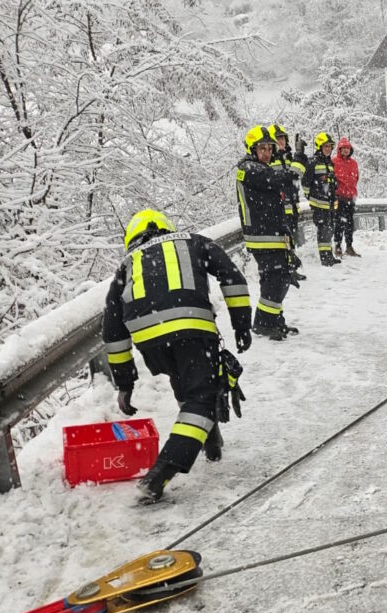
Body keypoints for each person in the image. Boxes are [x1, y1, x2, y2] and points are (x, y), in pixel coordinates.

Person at [102, 209, 252, 504]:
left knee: (186, 381)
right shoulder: (194, 241)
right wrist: (241, 324)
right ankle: (162, 471)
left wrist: (125, 383)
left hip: (150, 342)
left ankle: (210, 440)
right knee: (202, 399)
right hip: (192, 327)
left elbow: (112, 330)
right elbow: (232, 278)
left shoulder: (127, 264)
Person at [237, 125, 296, 339]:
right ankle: (264, 323)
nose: (267, 153)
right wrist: (296, 162)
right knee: (275, 279)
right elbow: (278, 179)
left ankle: (274, 319)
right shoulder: (248, 169)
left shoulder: (261, 169)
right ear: (252, 149)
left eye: (270, 149)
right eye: (262, 148)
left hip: (271, 234)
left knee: (278, 278)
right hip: (261, 236)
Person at [268, 124, 307, 283]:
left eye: (283, 138)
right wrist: (299, 156)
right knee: (283, 242)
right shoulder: (270, 160)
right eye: (277, 138)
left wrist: (298, 156)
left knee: (290, 240)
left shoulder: (288, 157)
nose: (281, 141)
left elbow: (299, 173)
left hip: (292, 206)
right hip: (279, 208)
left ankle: (290, 269)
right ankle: (286, 271)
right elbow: (291, 176)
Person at [303, 132, 340, 266]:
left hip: (329, 203)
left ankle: (329, 255)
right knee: (323, 230)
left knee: (329, 229)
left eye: (330, 146)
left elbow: (331, 183)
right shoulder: (313, 162)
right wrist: (311, 196)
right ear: (320, 147)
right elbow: (305, 182)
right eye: (326, 146)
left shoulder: (330, 163)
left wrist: (333, 182)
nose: (328, 149)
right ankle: (325, 258)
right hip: (319, 204)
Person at [332, 137, 361, 258]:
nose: (346, 150)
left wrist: (351, 190)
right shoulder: (334, 161)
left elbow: (356, 178)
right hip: (339, 197)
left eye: (348, 148)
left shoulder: (353, 163)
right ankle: (338, 246)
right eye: (343, 148)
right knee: (339, 223)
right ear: (339, 149)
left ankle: (349, 246)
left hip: (350, 197)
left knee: (350, 224)